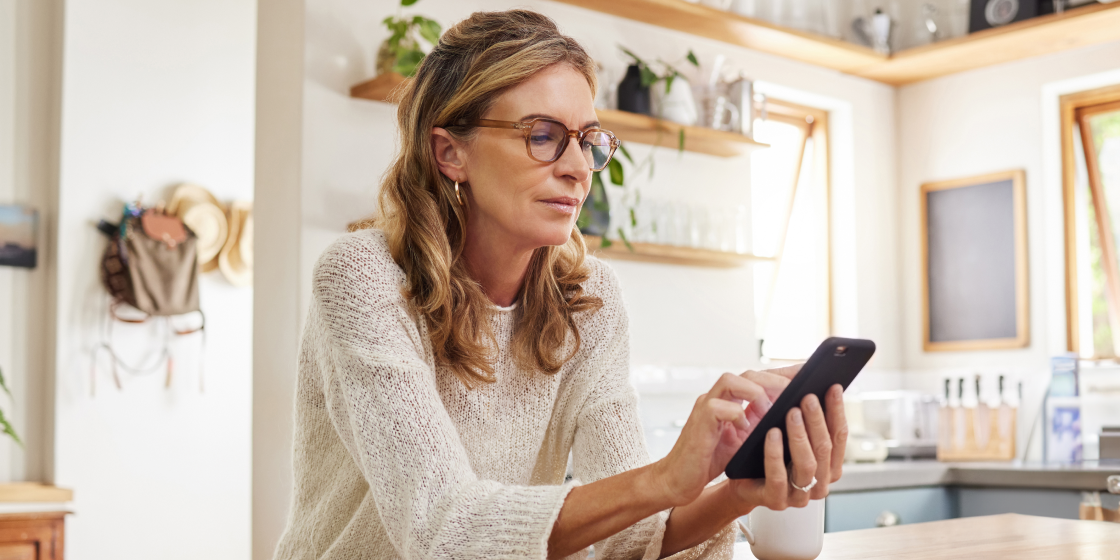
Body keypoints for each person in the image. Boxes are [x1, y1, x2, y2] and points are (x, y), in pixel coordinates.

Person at [273, 9, 847, 560]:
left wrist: (737, 488)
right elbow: (442, 531)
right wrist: (667, 477)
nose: (577, 168)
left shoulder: (587, 299)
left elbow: (633, 537)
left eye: (587, 140)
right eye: (543, 136)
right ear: (450, 152)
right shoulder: (364, 278)